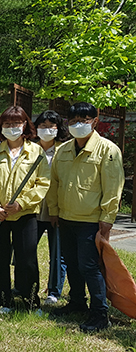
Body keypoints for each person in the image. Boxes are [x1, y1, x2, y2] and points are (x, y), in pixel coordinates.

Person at [47, 102, 124, 332]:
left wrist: (107, 219)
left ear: (95, 121)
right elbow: (54, 184)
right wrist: (54, 210)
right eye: (73, 121)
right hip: (66, 217)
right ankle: (77, 302)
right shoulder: (63, 150)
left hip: (91, 220)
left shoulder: (108, 150)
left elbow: (113, 188)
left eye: (84, 120)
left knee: (90, 266)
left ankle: (100, 312)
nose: (78, 125)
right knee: (71, 263)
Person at [0, 105, 50, 314]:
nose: (12, 128)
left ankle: (30, 301)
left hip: (25, 216)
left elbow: (43, 183)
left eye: (16, 123)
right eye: (7, 124)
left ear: (25, 125)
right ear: (1, 127)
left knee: (27, 259)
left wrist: (22, 203)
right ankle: (2, 301)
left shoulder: (36, 152)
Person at [33, 110, 69, 306]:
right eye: (43, 126)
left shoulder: (64, 151)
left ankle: (54, 291)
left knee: (57, 253)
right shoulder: (30, 149)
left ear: (58, 129)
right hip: (33, 208)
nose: (47, 130)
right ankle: (27, 285)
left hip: (56, 209)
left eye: (51, 126)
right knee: (27, 249)